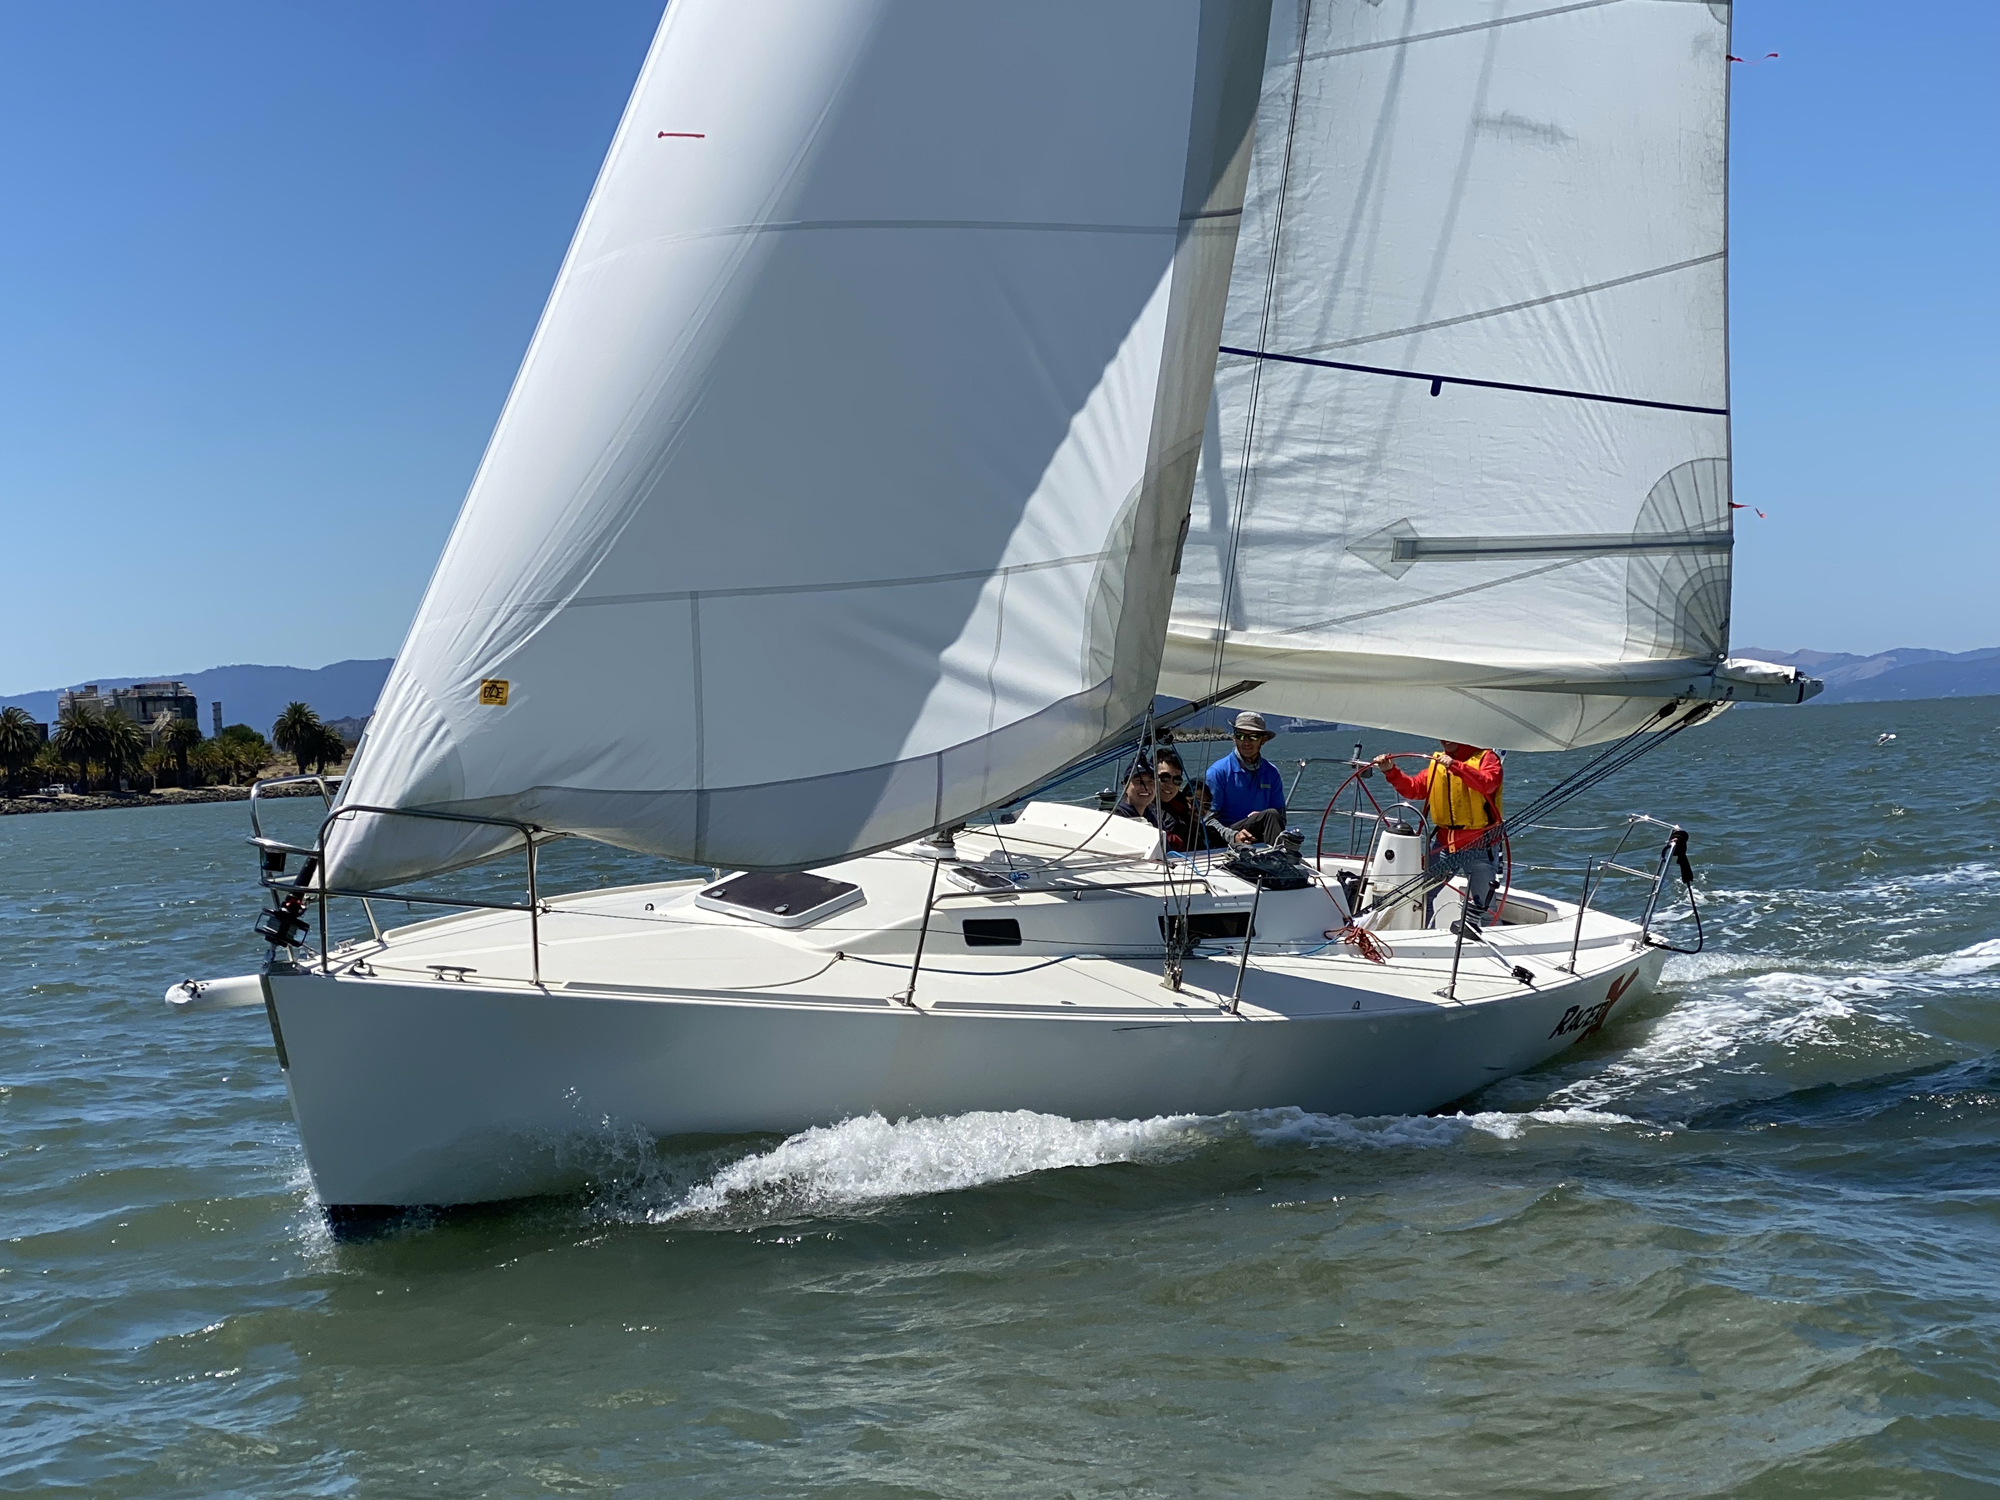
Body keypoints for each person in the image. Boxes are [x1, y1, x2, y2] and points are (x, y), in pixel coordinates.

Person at [1372, 740, 1504, 927]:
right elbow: (1415, 789)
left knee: (1485, 906)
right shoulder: (1438, 763)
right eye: (1443, 736)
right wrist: (1390, 771)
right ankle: (1425, 939)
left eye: (1450, 736)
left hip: (1478, 846)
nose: (1445, 740)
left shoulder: (1486, 757)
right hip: (1444, 845)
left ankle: (1489, 947)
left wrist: (1456, 766)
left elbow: (1488, 784)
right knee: (1423, 897)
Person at [1204, 711, 1288, 846]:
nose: (1246, 742)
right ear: (1234, 738)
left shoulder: (1271, 772)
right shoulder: (1217, 772)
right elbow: (1207, 819)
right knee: (1270, 815)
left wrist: (1260, 817)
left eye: (1253, 737)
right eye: (1241, 736)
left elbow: (1280, 817)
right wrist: (1234, 835)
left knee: (1271, 815)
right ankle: (1279, 858)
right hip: (1227, 837)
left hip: (1261, 834)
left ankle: (1279, 855)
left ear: (1263, 740)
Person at [1150, 746, 1218, 852]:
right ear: (1152, 776)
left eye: (1177, 780)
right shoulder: (1145, 809)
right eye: (1165, 777)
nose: (1170, 785)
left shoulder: (1182, 806)